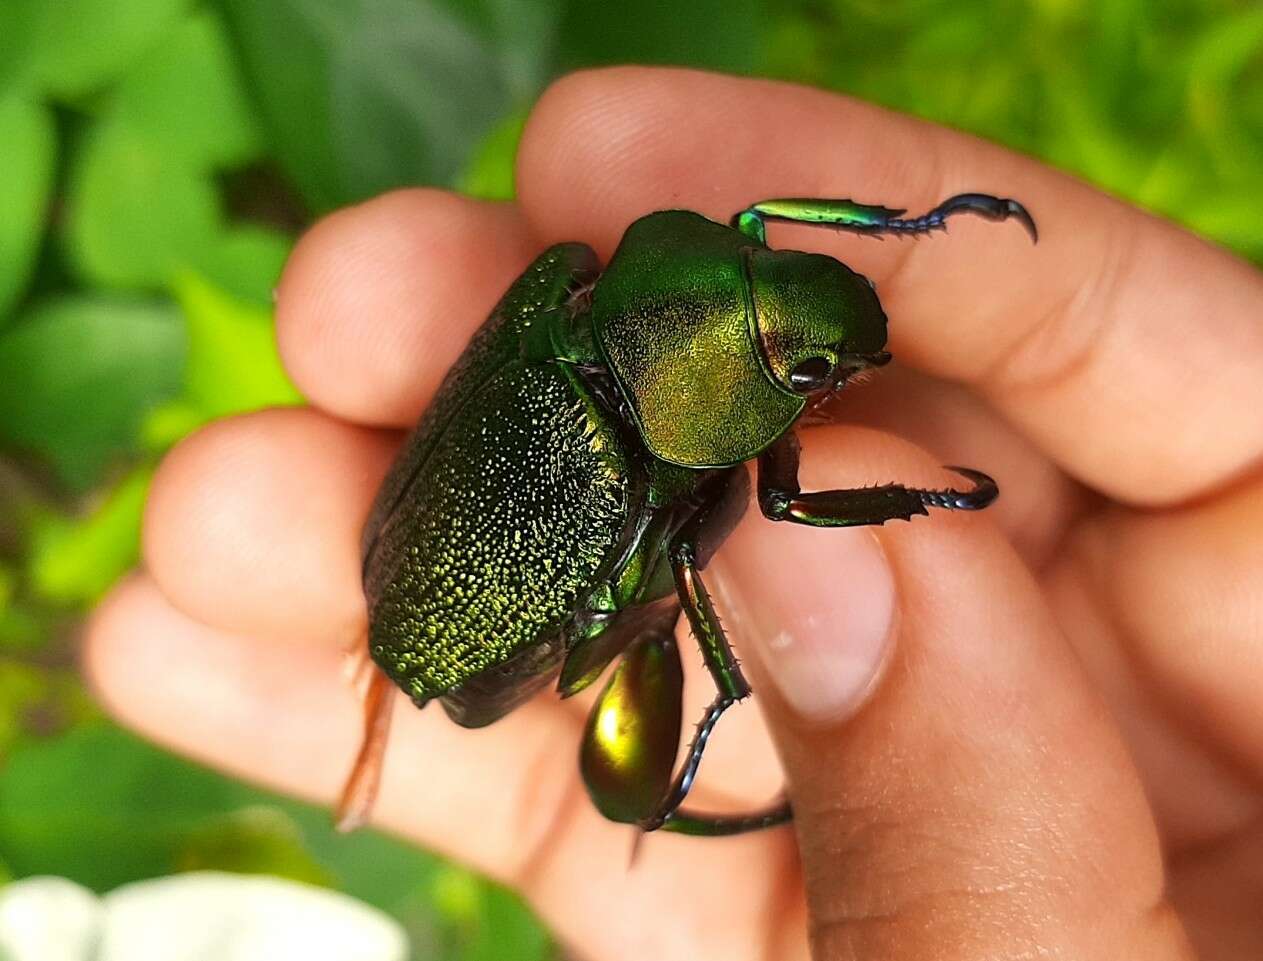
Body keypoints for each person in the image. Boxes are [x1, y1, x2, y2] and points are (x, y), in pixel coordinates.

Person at [86, 68, 1263, 960]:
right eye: (807, 379)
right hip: (462, 603)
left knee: (672, 547)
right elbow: (774, 509)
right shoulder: (635, 425)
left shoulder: (580, 289)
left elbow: (749, 282)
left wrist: (902, 239)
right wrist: (916, 498)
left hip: (446, 533)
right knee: (664, 565)